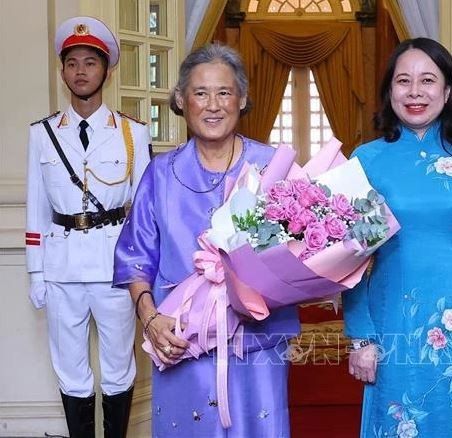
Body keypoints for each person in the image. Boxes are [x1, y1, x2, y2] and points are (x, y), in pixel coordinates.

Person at [113, 43, 300, 436]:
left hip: (257, 343)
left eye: (224, 92)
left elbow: (303, 253)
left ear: (243, 99)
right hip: (181, 340)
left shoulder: (273, 167)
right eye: (200, 93)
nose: (212, 105)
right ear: (181, 100)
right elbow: (135, 259)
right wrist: (150, 320)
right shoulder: (160, 174)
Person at [342, 37, 452, 437]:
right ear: (390, 92)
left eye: (427, 80)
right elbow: (348, 260)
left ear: (448, 89)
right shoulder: (366, 160)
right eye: (403, 81)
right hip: (394, 317)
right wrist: (360, 337)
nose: (415, 92)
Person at [25, 16, 151, 437]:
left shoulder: (133, 134)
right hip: (61, 268)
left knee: (118, 368)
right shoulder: (42, 135)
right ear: (62, 72)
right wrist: (35, 271)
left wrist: (143, 275)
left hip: (115, 269)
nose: (81, 71)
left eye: (90, 62)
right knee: (71, 371)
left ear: (107, 71)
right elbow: (36, 208)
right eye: (73, 62)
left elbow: (145, 215)